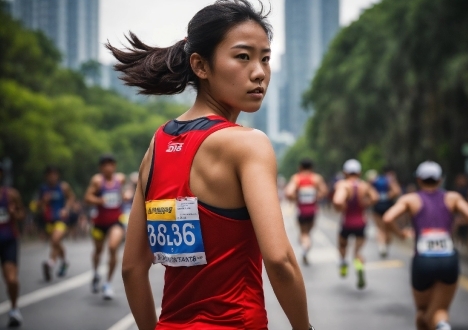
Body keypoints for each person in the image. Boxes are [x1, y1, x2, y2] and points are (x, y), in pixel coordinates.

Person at [108, 1, 311, 329]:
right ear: (201, 66)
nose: (259, 72)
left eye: (265, 58)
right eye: (243, 57)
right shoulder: (247, 144)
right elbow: (280, 260)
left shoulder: (157, 145)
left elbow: (132, 268)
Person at [384, 161, 468, 330]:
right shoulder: (452, 198)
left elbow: (388, 218)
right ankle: (442, 326)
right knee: (439, 310)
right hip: (448, 259)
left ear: (419, 180)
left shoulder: (411, 199)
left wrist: (401, 234)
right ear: (440, 180)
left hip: (423, 260)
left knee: (423, 311)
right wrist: (455, 222)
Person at [84, 154, 127, 300]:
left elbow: (122, 193)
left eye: (111, 164)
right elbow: (87, 198)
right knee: (98, 250)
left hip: (115, 221)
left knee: (113, 247)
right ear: (101, 167)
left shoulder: (120, 179)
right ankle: (96, 273)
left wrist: (125, 195)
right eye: (105, 165)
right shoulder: (97, 181)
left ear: (114, 166)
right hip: (99, 222)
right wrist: (99, 200)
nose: (109, 168)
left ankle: (108, 283)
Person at [333, 159, 379, 289]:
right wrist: (366, 204)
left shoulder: (343, 185)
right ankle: (359, 265)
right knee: (357, 251)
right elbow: (375, 198)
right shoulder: (364, 186)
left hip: (347, 223)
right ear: (359, 173)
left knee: (342, 246)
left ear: (345, 172)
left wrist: (341, 208)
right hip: (361, 223)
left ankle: (342, 263)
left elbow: (337, 201)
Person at [284, 159, 328, 265]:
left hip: (301, 211)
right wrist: (315, 197)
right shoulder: (316, 178)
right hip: (312, 210)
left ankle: (304, 248)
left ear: (300, 167)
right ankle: (305, 248)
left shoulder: (296, 178)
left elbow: (289, 192)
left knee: (303, 234)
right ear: (312, 168)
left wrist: (297, 197)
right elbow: (324, 191)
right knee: (308, 233)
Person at [37, 166, 74, 281]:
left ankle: (51, 262)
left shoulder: (63, 187)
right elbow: (38, 205)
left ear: (57, 175)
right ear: (46, 176)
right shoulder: (43, 189)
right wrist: (44, 201)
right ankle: (64, 262)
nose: (52, 176)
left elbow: (71, 197)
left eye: (54, 174)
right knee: (56, 243)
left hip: (61, 220)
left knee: (55, 240)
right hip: (48, 220)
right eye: (50, 174)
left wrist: (66, 209)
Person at [0, 166, 25, 327]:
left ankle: (14, 309)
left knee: (11, 279)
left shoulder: (10, 195)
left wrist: (14, 213)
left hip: (8, 240)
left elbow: (22, 214)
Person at [371, 166, 402, 258]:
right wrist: (388, 196)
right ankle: (385, 246)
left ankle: (382, 246)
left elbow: (370, 193)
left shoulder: (375, 180)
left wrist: (377, 198)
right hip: (388, 207)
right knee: (388, 229)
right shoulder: (390, 180)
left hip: (377, 207)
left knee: (380, 229)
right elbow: (397, 191)